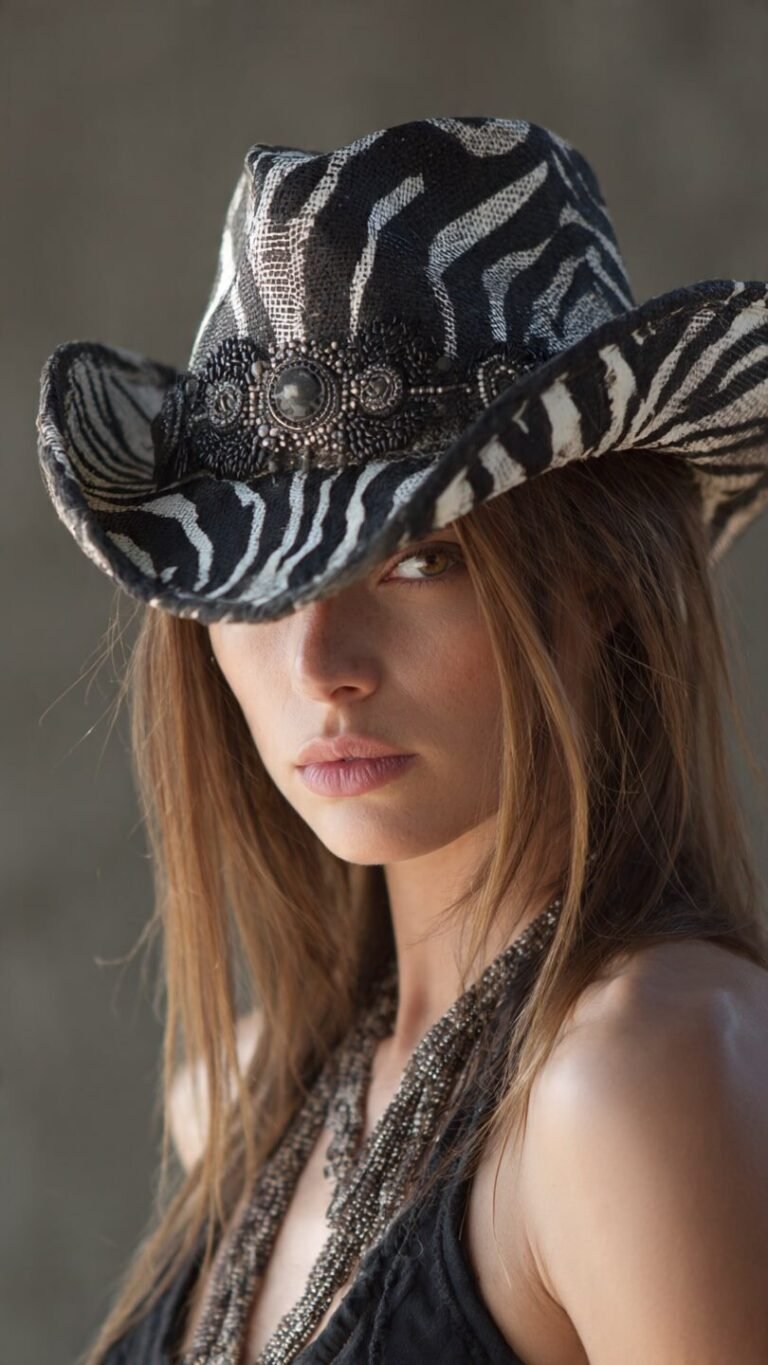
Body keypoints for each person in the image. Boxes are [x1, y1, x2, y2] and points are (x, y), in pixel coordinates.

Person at [37, 116, 768, 1364]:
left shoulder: (643, 1079)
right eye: (264, 585)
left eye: (421, 560)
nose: (319, 665)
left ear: (596, 589)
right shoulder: (247, 1101)